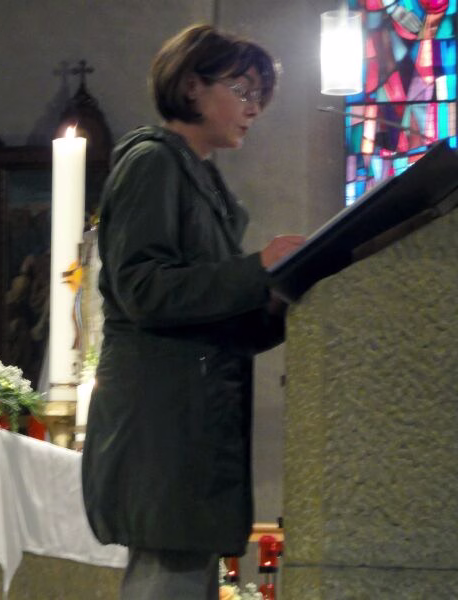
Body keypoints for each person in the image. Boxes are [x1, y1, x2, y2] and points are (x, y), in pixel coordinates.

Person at [81, 24, 305, 599]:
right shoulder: (152, 163)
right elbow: (143, 288)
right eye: (241, 89)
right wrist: (256, 269)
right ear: (191, 86)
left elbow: (208, 309)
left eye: (260, 95)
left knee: (186, 574)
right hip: (163, 421)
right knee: (166, 575)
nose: (253, 108)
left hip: (193, 419)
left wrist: (282, 298)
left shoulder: (200, 178)